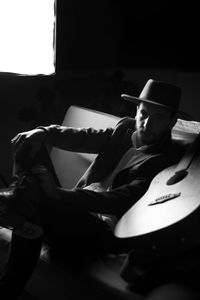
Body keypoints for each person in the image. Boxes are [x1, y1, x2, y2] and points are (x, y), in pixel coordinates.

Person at [0, 79, 187, 298]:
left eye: (158, 118)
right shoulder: (124, 130)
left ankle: (13, 206)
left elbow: (121, 199)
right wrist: (43, 132)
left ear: (172, 122)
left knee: (34, 206)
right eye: (144, 114)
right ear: (136, 110)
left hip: (102, 227)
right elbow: (83, 137)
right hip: (73, 207)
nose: (146, 124)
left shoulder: (165, 160)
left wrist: (58, 194)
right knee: (28, 144)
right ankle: (19, 208)